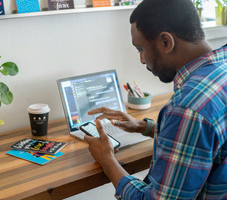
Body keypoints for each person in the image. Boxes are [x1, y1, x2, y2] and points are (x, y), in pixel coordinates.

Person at [84, 0, 227, 199]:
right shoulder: (221, 70)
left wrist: (107, 159)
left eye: (141, 49)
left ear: (166, 42)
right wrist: (145, 127)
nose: (142, 60)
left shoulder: (187, 108)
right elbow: (207, 143)